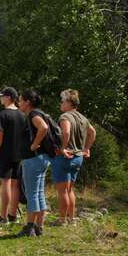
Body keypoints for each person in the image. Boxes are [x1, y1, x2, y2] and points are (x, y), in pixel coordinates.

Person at [50, 89, 96, 226]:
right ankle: (71, 219)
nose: (61, 103)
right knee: (70, 190)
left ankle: (62, 220)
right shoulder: (83, 118)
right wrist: (87, 148)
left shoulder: (65, 117)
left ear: (69, 102)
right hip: (78, 157)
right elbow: (92, 132)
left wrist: (63, 147)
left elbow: (66, 131)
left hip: (65, 156)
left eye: (62, 100)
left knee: (62, 191)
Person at [17, 89, 51, 237]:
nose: (18, 103)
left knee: (32, 194)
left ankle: (30, 227)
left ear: (27, 102)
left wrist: (34, 144)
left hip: (33, 159)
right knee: (39, 194)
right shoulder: (40, 112)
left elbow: (43, 127)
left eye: (20, 100)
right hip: (42, 159)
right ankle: (39, 227)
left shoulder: (33, 114)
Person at [0, 87, 27, 224]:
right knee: (15, 184)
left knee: (5, 183)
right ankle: (13, 214)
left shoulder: (3, 114)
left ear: (8, 98)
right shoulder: (22, 114)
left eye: (2, 96)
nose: (0, 98)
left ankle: (3, 216)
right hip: (19, 154)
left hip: (5, 153)